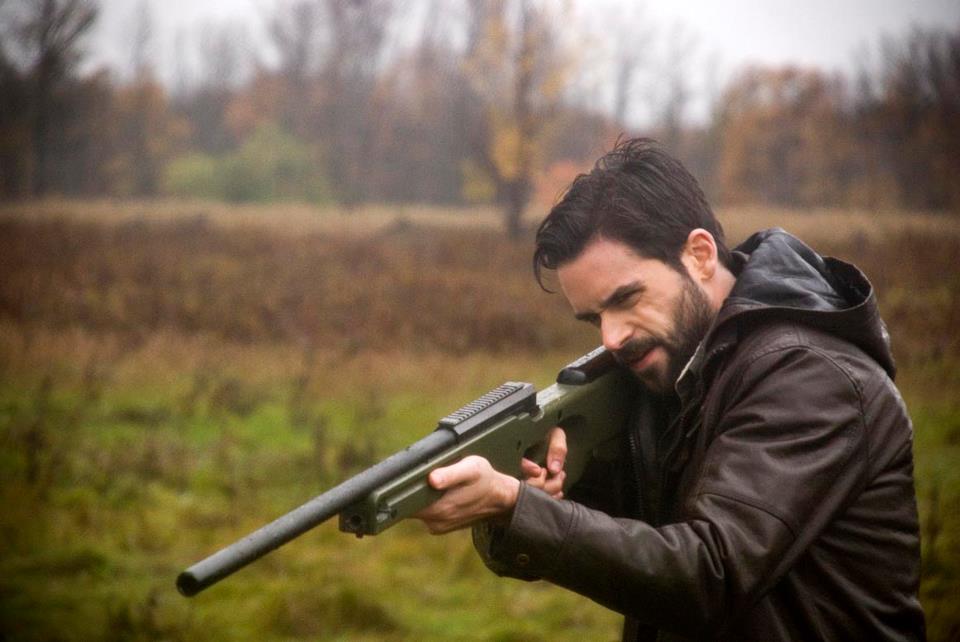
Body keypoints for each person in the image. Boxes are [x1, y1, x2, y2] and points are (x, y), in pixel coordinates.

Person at [416, 138, 925, 640]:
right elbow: (633, 547)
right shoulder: (677, 369)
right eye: (594, 318)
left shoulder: (813, 377)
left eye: (626, 298)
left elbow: (708, 576)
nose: (611, 338)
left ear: (699, 255)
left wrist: (516, 505)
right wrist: (533, 492)